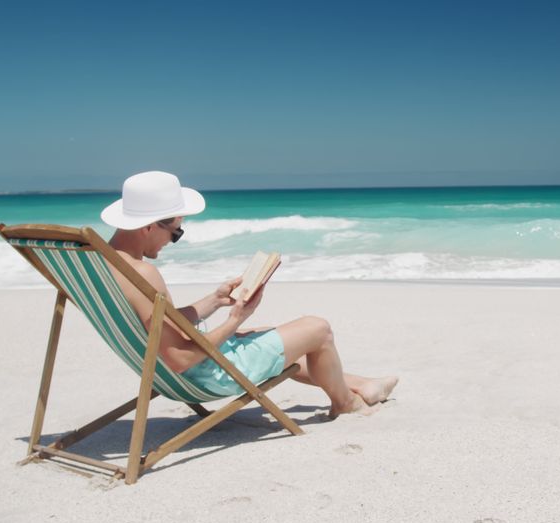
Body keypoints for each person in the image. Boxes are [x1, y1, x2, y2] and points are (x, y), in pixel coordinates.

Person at [100, 171, 397, 418]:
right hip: (204, 376)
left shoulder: (103, 264)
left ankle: (362, 384)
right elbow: (179, 358)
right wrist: (234, 319)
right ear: (149, 227)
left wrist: (215, 300)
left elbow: (162, 328)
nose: (174, 240)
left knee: (266, 334)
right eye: (176, 232)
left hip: (169, 371)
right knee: (318, 329)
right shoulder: (143, 273)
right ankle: (345, 404)